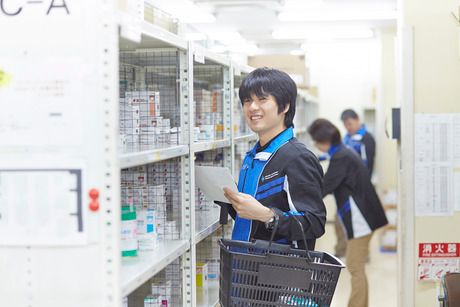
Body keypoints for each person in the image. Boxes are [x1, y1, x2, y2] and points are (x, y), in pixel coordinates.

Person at [221, 67, 326, 250]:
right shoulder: (253, 157)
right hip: (244, 267)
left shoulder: (298, 158)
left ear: (285, 106)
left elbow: (315, 223)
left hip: (277, 273)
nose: (252, 107)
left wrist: (267, 215)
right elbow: (252, 218)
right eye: (247, 100)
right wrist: (231, 202)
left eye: (262, 99)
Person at [308, 118, 388, 307]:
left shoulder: (341, 158)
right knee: (356, 266)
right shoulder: (343, 153)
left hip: (362, 219)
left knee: (354, 266)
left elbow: (324, 187)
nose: (317, 146)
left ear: (324, 141)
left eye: (316, 142)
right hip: (364, 216)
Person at [333, 109, 377, 258]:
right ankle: (341, 251)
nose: (348, 127)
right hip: (344, 189)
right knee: (340, 221)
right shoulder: (346, 138)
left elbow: (367, 166)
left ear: (357, 120)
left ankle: (363, 255)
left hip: (359, 189)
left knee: (360, 224)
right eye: (345, 125)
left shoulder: (367, 139)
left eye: (350, 124)